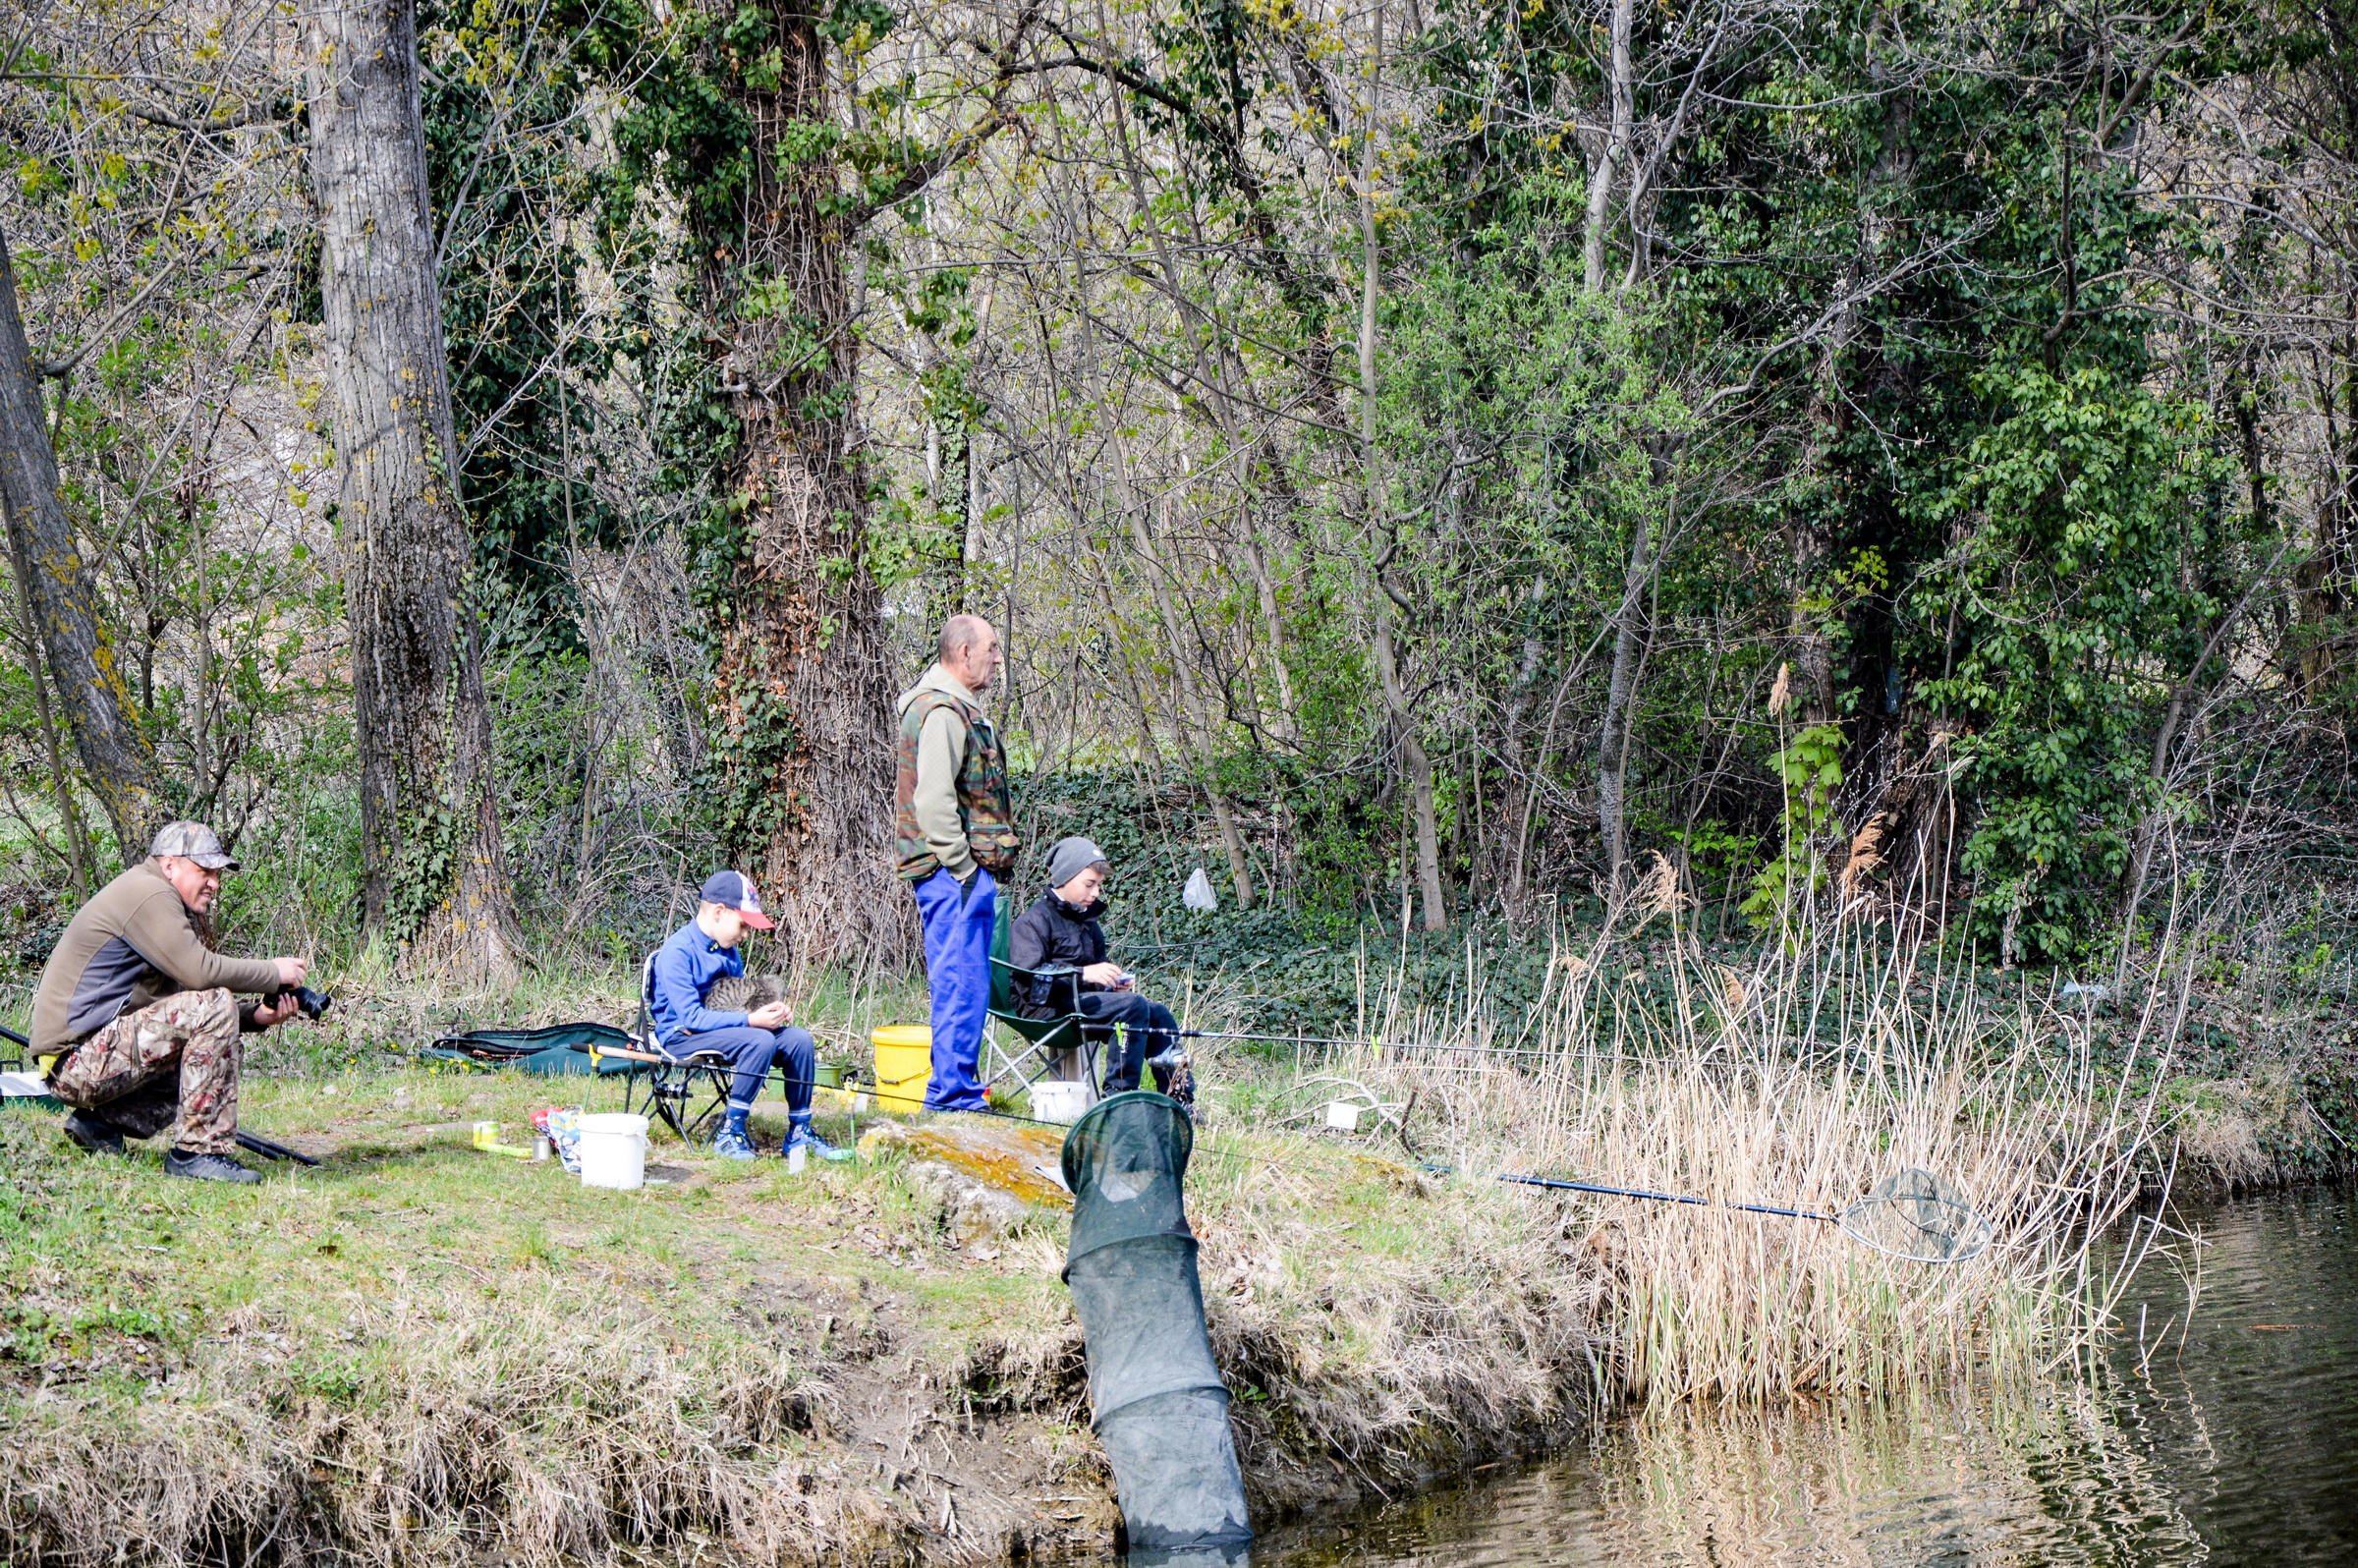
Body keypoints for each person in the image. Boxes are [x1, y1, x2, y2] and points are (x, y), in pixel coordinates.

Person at [31, 820, 311, 1183]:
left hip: (82, 1060)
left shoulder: (154, 897)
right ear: (169, 865)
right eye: (204, 871)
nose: (214, 883)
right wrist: (273, 972)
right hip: (75, 1061)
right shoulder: (149, 894)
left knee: (222, 1042)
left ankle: (100, 1125)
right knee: (214, 1003)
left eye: (217, 874)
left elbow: (179, 1008)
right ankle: (196, 1154)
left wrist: (256, 1016)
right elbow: (200, 974)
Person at [895, 614, 1019, 1111]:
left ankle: (955, 1089)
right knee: (960, 983)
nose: (998, 658)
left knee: (963, 983)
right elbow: (932, 803)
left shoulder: (953, 707)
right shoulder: (944, 712)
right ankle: (953, 1095)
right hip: (952, 875)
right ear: (964, 653)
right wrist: (965, 871)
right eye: (992, 648)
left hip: (954, 874)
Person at [648, 870, 842, 1161]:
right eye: (742, 925)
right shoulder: (678, 951)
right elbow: (691, 1018)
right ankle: (731, 1132)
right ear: (719, 912)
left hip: (726, 1031)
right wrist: (751, 1021)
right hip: (682, 1037)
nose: (745, 935)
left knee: (798, 1040)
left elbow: (741, 1005)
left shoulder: (729, 953)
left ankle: (799, 1131)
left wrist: (771, 1011)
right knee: (759, 1041)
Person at [1009, 837, 1184, 1097]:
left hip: (1079, 1005)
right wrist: (1083, 974)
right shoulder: (1031, 922)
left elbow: (1093, 983)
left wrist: (1111, 984)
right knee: (1133, 1006)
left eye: (1099, 885)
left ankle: (1179, 1098)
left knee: (1158, 1013)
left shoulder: (1088, 923)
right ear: (1065, 878)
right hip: (1042, 1010)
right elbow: (1029, 980)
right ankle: (1118, 1096)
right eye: (1089, 884)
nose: (1096, 893)